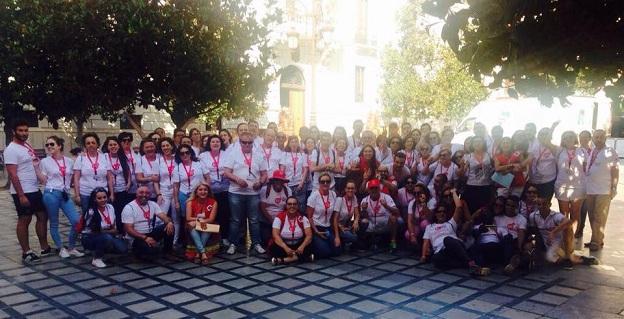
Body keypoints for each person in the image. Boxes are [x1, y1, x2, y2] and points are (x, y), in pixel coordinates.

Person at [5, 121, 52, 264]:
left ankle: (44, 247)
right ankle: (27, 252)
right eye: (20, 130)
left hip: (34, 189)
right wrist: (21, 195)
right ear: (14, 131)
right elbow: (13, 175)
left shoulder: (26, 146)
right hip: (22, 191)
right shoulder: (11, 149)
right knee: (24, 219)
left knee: (43, 216)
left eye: (26, 130)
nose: (24, 133)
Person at [420, 189, 490, 275]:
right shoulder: (430, 227)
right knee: (435, 259)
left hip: (454, 245)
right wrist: (423, 256)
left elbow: (459, 207)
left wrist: (454, 193)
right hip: (442, 251)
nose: (442, 214)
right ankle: (469, 264)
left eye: (444, 212)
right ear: (436, 214)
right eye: (439, 212)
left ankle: (470, 264)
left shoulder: (450, 223)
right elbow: (426, 242)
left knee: (447, 239)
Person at [36, 136, 83, 258]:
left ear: (59, 146)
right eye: (47, 145)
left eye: (52, 144)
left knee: (76, 221)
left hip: (65, 194)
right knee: (54, 222)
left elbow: (73, 177)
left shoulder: (69, 161)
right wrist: (36, 169)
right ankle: (61, 248)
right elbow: (44, 181)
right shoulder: (45, 162)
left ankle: (71, 247)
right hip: (51, 193)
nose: (49, 147)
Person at [222, 131, 268, 255]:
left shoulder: (259, 155)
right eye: (244, 142)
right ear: (240, 142)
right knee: (236, 220)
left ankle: (256, 243)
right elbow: (226, 172)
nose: (247, 144)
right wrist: (237, 179)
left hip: (253, 192)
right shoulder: (233, 154)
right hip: (236, 191)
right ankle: (233, 243)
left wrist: (261, 182)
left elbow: (264, 174)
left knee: (254, 219)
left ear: (253, 143)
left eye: (250, 142)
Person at [584, 129, 619, 251]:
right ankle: (598, 238)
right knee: (592, 216)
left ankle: (595, 242)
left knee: (599, 216)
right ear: (593, 138)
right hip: (590, 189)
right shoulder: (592, 151)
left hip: (603, 190)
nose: (598, 139)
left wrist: (614, 187)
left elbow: (615, 170)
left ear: (605, 138)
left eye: (601, 137)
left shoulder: (611, 152)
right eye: (596, 137)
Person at [527, 197, 587, 265]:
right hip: (550, 245)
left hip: (564, 242)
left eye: (544, 204)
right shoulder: (533, 216)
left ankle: (568, 257)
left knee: (567, 227)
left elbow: (568, 222)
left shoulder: (556, 215)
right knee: (550, 259)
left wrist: (553, 232)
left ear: (550, 204)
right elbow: (534, 231)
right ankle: (573, 258)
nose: (541, 206)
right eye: (539, 204)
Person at [173, 144, 210, 247]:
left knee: (200, 217)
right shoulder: (178, 168)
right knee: (186, 219)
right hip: (184, 195)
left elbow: (208, 178)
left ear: (190, 153)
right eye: (182, 153)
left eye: (187, 152)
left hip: (199, 195)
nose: (185, 155)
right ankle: (188, 242)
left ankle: (199, 240)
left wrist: (207, 191)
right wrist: (176, 202)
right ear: (179, 155)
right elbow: (176, 186)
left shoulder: (199, 164)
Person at [123, 185, 174, 260]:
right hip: (137, 237)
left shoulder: (153, 204)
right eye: (141, 192)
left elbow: (164, 217)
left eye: (147, 193)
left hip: (150, 233)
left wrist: (169, 222)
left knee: (170, 227)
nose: (144, 195)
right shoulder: (129, 208)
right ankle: (136, 252)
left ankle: (167, 252)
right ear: (136, 194)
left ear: (150, 195)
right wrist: (145, 238)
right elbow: (129, 230)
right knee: (151, 254)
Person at [81, 188, 128, 268]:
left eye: (104, 197)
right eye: (99, 198)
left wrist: (106, 231)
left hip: (106, 234)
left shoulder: (110, 207)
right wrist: (109, 231)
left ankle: (103, 248)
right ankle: (97, 258)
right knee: (107, 238)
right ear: (94, 199)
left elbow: (114, 227)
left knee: (123, 249)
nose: (103, 200)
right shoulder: (91, 211)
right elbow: (91, 231)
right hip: (89, 237)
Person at [199, 135, 231, 246]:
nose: (216, 143)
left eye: (218, 141)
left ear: (221, 143)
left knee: (224, 213)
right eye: (213, 141)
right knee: (212, 215)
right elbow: (204, 172)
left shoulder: (226, 154)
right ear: (209, 144)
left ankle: (225, 237)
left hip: (225, 189)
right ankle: (214, 237)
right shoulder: (203, 156)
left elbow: (229, 168)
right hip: (211, 190)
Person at [554, 131, 586, 242]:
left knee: (575, 212)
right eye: (565, 137)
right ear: (563, 139)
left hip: (578, 186)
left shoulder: (582, 151)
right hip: (562, 185)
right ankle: (565, 235)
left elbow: (586, 168)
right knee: (564, 213)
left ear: (575, 139)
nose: (568, 139)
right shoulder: (559, 151)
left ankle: (572, 236)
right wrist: (553, 127)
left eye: (571, 137)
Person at [73, 133, 114, 214]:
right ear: (85, 145)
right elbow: (76, 179)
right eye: (88, 143)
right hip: (86, 194)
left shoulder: (105, 158)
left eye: (93, 142)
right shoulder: (80, 158)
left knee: (103, 217)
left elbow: (109, 178)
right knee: (88, 218)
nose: (91, 145)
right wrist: (77, 195)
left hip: (102, 195)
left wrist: (112, 194)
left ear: (97, 144)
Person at [270, 197, 314, 265]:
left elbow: (309, 235)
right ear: (286, 206)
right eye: (289, 204)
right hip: (284, 245)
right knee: (274, 248)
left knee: (310, 245)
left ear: (298, 206)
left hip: (298, 246)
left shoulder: (303, 218)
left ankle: (283, 260)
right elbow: (275, 235)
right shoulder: (279, 217)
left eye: (294, 204)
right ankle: (302, 258)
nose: (292, 206)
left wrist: (302, 246)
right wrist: (286, 248)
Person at [102, 136, 132, 234]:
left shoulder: (123, 157)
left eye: (115, 144)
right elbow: (109, 177)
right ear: (107, 146)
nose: (113, 146)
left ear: (119, 146)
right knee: (112, 212)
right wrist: (111, 194)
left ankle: (124, 232)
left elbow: (128, 172)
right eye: (110, 145)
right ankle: (114, 232)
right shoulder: (105, 157)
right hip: (111, 191)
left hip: (123, 189)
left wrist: (128, 183)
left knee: (123, 212)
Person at [359, 179, 400, 250]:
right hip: (372, 224)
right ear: (368, 190)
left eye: (376, 188)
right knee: (363, 222)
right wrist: (364, 209)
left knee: (393, 218)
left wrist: (386, 206)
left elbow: (397, 212)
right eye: (372, 188)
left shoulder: (386, 197)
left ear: (379, 189)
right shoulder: (364, 200)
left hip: (385, 224)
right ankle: (364, 243)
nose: (374, 190)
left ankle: (393, 241)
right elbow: (362, 216)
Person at [306, 173, 340, 258]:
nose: (325, 183)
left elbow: (334, 216)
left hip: (327, 228)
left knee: (337, 251)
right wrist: (316, 231)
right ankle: (311, 249)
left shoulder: (333, 194)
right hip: (316, 228)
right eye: (323, 181)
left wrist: (337, 236)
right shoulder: (313, 197)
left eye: (327, 181)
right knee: (325, 252)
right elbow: (309, 217)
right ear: (319, 183)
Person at [185, 182, 218, 265]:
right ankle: (203, 253)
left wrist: (198, 222)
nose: (203, 192)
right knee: (191, 225)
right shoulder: (190, 202)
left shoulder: (213, 202)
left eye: (205, 190)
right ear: (196, 192)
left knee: (206, 227)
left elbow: (211, 219)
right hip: (192, 225)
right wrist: (198, 221)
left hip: (206, 224)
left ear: (208, 191)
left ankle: (198, 253)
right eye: (200, 190)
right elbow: (188, 218)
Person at [495, 196, 527, 274]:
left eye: (513, 206)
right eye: (508, 205)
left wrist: (519, 247)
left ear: (516, 207)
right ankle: (511, 263)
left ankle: (510, 264)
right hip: (500, 241)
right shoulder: (497, 218)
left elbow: (521, 232)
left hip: (514, 241)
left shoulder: (521, 219)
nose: (510, 208)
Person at [154, 137, 177, 243]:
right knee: (160, 217)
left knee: (176, 218)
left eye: (167, 145)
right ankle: (158, 240)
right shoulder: (158, 161)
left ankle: (174, 242)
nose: (165, 147)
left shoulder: (177, 159)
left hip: (177, 191)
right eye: (163, 146)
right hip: (164, 192)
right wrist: (158, 194)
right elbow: (155, 180)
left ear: (172, 146)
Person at [462, 136, 494, 213]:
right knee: (472, 208)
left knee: (485, 209)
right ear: (472, 144)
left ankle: (485, 225)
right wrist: (461, 168)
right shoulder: (467, 156)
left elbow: (493, 168)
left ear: (483, 143)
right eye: (475, 142)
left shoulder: (489, 155)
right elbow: (463, 172)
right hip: (471, 186)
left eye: (480, 141)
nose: (477, 143)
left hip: (486, 186)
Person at [260, 170, 291, 245]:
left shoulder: (288, 190)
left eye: (281, 181)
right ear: (273, 181)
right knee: (266, 240)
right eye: (277, 180)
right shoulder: (265, 189)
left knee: (283, 239)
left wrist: (281, 220)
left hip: (281, 219)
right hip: (267, 219)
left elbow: (288, 207)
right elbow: (262, 207)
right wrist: (272, 221)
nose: (279, 182)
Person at [280, 136, 309, 213]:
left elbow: (305, 170)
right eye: (292, 142)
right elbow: (282, 170)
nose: (294, 143)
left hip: (299, 185)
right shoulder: (284, 154)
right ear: (289, 144)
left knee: (300, 207)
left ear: (298, 143)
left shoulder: (302, 155)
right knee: (288, 207)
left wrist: (301, 183)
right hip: (288, 185)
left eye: (296, 141)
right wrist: (284, 183)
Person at [529, 128, 559, 201]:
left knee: (545, 203)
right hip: (534, 180)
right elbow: (529, 162)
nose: (543, 136)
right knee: (533, 203)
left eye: (546, 134)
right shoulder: (533, 147)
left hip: (548, 181)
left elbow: (559, 164)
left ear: (550, 136)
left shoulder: (555, 148)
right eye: (541, 134)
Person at [332, 181, 361, 250]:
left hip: (346, 225)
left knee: (363, 223)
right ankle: (343, 241)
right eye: (348, 188)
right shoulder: (340, 200)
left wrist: (356, 221)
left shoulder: (354, 198)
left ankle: (354, 244)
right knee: (353, 237)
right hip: (337, 226)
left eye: (352, 188)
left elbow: (357, 214)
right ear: (345, 189)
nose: (350, 190)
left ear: (355, 190)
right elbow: (334, 219)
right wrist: (338, 233)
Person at [575, 130, 593, 238]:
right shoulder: (576, 150)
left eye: (586, 137)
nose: (584, 139)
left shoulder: (593, 151)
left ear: (590, 138)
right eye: (581, 137)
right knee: (577, 208)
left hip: (589, 184)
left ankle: (580, 229)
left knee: (584, 209)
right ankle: (576, 229)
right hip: (577, 183)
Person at [118, 132, 138, 203]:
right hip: (124, 186)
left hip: (136, 186)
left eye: (129, 140)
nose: (126, 142)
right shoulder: (117, 154)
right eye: (124, 140)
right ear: (120, 142)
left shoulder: (136, 154)